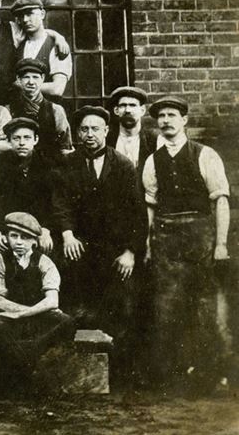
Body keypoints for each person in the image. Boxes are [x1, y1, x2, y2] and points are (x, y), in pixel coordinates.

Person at [142, 96, 231, 392]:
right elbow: (150, 207)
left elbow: (220, 201)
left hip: (200, 236)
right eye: (161, 116)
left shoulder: (205, 155)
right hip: (166, 237)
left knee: (204, 305)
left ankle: (210, 375)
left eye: (172, 115)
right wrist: (147, 243)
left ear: (184, 121)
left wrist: (220, 244)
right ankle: (173, 376)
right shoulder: (152, 161)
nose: (166, 120)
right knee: (167, 306)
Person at [53, 106, 143, 341]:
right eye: (84, 130)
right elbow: (61, 203)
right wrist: (68, 235)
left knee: (119, 311)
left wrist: (130, 252)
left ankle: (118, 366)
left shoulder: (123, 165)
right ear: (78, 134)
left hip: (115, 251)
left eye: (95, 129)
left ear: (106, 131)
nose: (89, 134)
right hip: (81, 247)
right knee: (79, 309)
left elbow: (137, 213)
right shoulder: (68, 164)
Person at [0, 212, 75, 373]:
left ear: (35, 241)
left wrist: (23, 314)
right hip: (11, 317)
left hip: (38, 316)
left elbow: (52, 301)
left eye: (25, 237)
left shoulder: (45, 262)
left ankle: (27, 361)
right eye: (14, 236)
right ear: (6, 237)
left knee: (67, 322)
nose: (19, 242)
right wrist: (20, 314)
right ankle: (26, 366)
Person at [0, 117, 57, 255]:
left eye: (27, 138)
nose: (22, 143)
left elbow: (54, 203)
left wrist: (45, 230)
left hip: (40, 230)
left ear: (36, 140)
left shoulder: (48, 166)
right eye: (16, 138)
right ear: (9, 141)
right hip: (9, 231)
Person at [7, 58, 73, 167]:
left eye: (35, 77)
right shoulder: (9, 110)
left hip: (49, 170)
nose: (31, 82)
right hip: (18, 170)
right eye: (26, 77)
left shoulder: (55, 110)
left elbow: (65, 147)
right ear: (19, 79)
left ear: (42, 78)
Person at [12, 0, 72, 103]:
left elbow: (57, 89)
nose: (25, 20)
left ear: (42, 14)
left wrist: (21, 85)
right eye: (21, 16)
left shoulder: (57, 46)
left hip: (48, 112)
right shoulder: (20, 44)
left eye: (30, 14)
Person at [107, 86, 159, 173]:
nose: (127, 110)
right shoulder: (107, 139)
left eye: (132, 105)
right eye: (123, 105)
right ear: (116, 110)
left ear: (142, 110)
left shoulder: (154, 140)